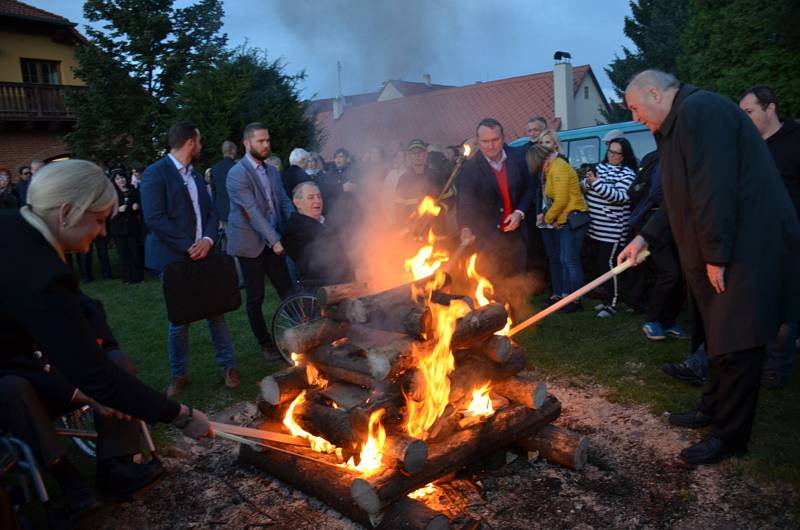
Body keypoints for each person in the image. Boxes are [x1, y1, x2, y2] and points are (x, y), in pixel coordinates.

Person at [0, 159, 211, 519]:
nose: (102, 233)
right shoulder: (40, 272)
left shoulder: (15, 229)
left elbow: (83, 315)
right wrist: (181, 415)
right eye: (98, 220)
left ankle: (115, 468)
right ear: (66, 212)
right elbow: (95, 377)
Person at [619, 69, 800, 466]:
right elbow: (679, 194)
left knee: (737, 341)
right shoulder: (679, 122)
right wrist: (645, 237)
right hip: (724, 245)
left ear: (655, 93)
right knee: (716, 337)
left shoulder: (702, 111)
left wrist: (716, 255)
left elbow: (713, 187)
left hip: (747, 246)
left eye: (635, 108)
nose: (634, 118)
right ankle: (713, 409)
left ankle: (730, 436)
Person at [140, 122, 240, 397]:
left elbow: (210, 213)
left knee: (216, 312)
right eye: (199, 140)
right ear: (189, 143)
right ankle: (178, 374)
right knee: (179, 320)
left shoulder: (196, 176)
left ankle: (228, 367)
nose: (201, 145)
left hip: (205, 253)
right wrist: (188, 246)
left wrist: (207, 240)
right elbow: (155, 217)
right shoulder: (155, 174)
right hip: (176, 259)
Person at [226, 122, 296, 362]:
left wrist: (299, 222)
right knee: (255, 297)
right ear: (247, 143)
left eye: (267, 140)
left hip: (273, 240)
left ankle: (303, 331)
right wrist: (275, 240)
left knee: (287, 288)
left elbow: (284, 202)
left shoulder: (273, 172)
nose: (266, 145)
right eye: (260, 141)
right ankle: (265, 343)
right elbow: (251, 211)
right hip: (250, 243)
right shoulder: (237, 174)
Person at [458, 118, 536, 285]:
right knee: (492, 285)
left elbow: (530, 188)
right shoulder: (470, 168)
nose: (490, 145)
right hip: (486, 238)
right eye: (485, 141)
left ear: (503, 137)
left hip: (516, 237)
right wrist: (465, 227)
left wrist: (519, 213)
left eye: (495, 140)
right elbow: (465, 202)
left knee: (516, 283)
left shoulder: (518, 157)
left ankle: (516, 311)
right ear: (478, 141)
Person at [628, 152, 687, 341]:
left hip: (678, 227)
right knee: (670, 273)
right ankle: (652, 320)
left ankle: (668, 321)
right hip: (656, 225)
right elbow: (657, 192)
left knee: (681, 275)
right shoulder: (667, 158)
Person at [527, 144, 589, 312]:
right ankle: (567, 297)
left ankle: (575, 300)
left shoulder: (558, 168)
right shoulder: (553, 168)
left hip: (574, 219)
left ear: (541, 160)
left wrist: (547, 218)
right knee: (565, 260)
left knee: (570, 261)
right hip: (566, 219)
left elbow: (561, 200)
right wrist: (556, 220)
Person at [583, 138, 638, 317]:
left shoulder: (628, 174)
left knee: (610, 266)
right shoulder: (600, 167)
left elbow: (619, 197)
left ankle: (613, 304)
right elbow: (584, 185)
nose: (611, 155)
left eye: (616, 153)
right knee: (600, 266)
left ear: (624, 156)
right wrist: (589, 182)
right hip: (595, 228)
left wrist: (596, 183)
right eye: (610, 151)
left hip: (613, 230)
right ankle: (606, 299)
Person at [283, 181, 352, 285]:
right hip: (325, 284)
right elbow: (313, 265)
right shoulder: (294, 229)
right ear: (297, 202)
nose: (317, 201)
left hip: (346, 275)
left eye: (319, 196)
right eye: (311, 197)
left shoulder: (326, 220)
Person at [110, 169, 144, 284]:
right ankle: (127, 278)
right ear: (114, 181)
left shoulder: (133, 190)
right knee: (123, 253)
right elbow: (108, 212)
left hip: (132, 226)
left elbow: (139, 206)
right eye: (118, 178)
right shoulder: (112, 194)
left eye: (122, 177)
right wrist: (118, 210)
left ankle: (138, 277)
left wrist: (136, 207)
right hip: (118, 228)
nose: (121, 180)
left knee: (135, 251)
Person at [210, 140, 238, 232]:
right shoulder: (238, 168)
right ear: (234, 151)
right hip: (237, 212)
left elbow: (214, 192)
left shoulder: (214, 168)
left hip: (221, 211)